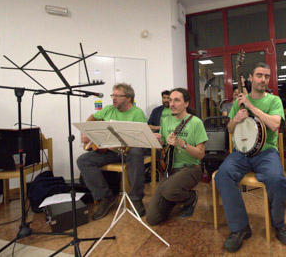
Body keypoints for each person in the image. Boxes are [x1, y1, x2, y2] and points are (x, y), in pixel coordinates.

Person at [214, 63, 286, 253]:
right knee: (222, 175)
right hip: (241, 153)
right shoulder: (238, 102)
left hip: (266, 152)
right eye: (259, 75)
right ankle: (240, 228)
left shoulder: (274, 100)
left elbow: (275, 125)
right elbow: (230, 129)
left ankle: (278, 223)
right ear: (250, 77)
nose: (263, 80)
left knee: (276, 180)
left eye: (267, 76)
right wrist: (236, 119)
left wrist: (251, 106)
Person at [77, 83, 147, 220]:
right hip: (111, 152)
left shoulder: (137, 113)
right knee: (83, 160)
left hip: (130, 151)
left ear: (128, 98)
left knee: (137, 153)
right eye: (112, 95)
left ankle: (136, 198)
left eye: (117, 96)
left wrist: (118, 145)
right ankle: (105, 197)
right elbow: (92, 118)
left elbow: (138, 140)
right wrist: (86, 132)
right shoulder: (108, 109)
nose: (113, 98)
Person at [147, 88, 208, 225]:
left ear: (186, 103)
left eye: (176, 100)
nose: (171, 104)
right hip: (170, 170)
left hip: (191, 168)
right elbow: (164, 144)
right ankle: (174, 196)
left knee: (168, 189)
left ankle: (190, 198)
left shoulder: (196, 122)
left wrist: (182, 143)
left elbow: (201, 154)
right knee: (153, 219)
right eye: (170, 100)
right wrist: (158, 140)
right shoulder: (166, 121)